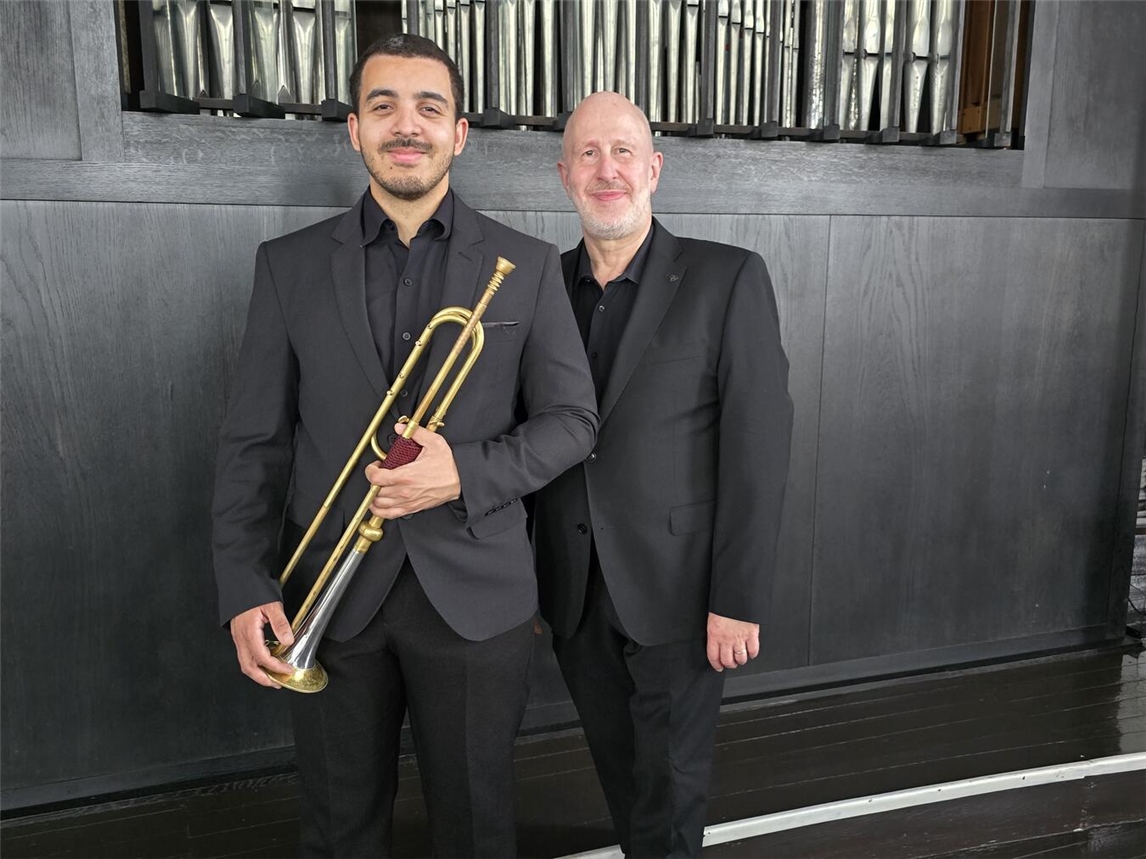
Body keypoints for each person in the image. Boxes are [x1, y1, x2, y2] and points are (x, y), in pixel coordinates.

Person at [211, 34, 597, 858]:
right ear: (354, 129)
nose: (406, 125)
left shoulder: (524, 266)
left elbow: (573, 421)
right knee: (339, 827)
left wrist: (462, 472)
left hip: (475, 595)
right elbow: (253, 442)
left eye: (430, 107)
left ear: (460, 133)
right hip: (325, 602)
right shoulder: (287, 267)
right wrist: (245, 584)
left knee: (476, 826)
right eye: (383, 106)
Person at [533, 91, 794, 858]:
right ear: (564, 175)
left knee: (672, 780)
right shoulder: (538, 288)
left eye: (622, 152)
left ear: (654, 168)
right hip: (573, 588)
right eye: (587, 153)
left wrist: (738, 599)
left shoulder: (728, 277)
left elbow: (759, 446)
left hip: (683, 592)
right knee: (621, 771)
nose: (606, 169)